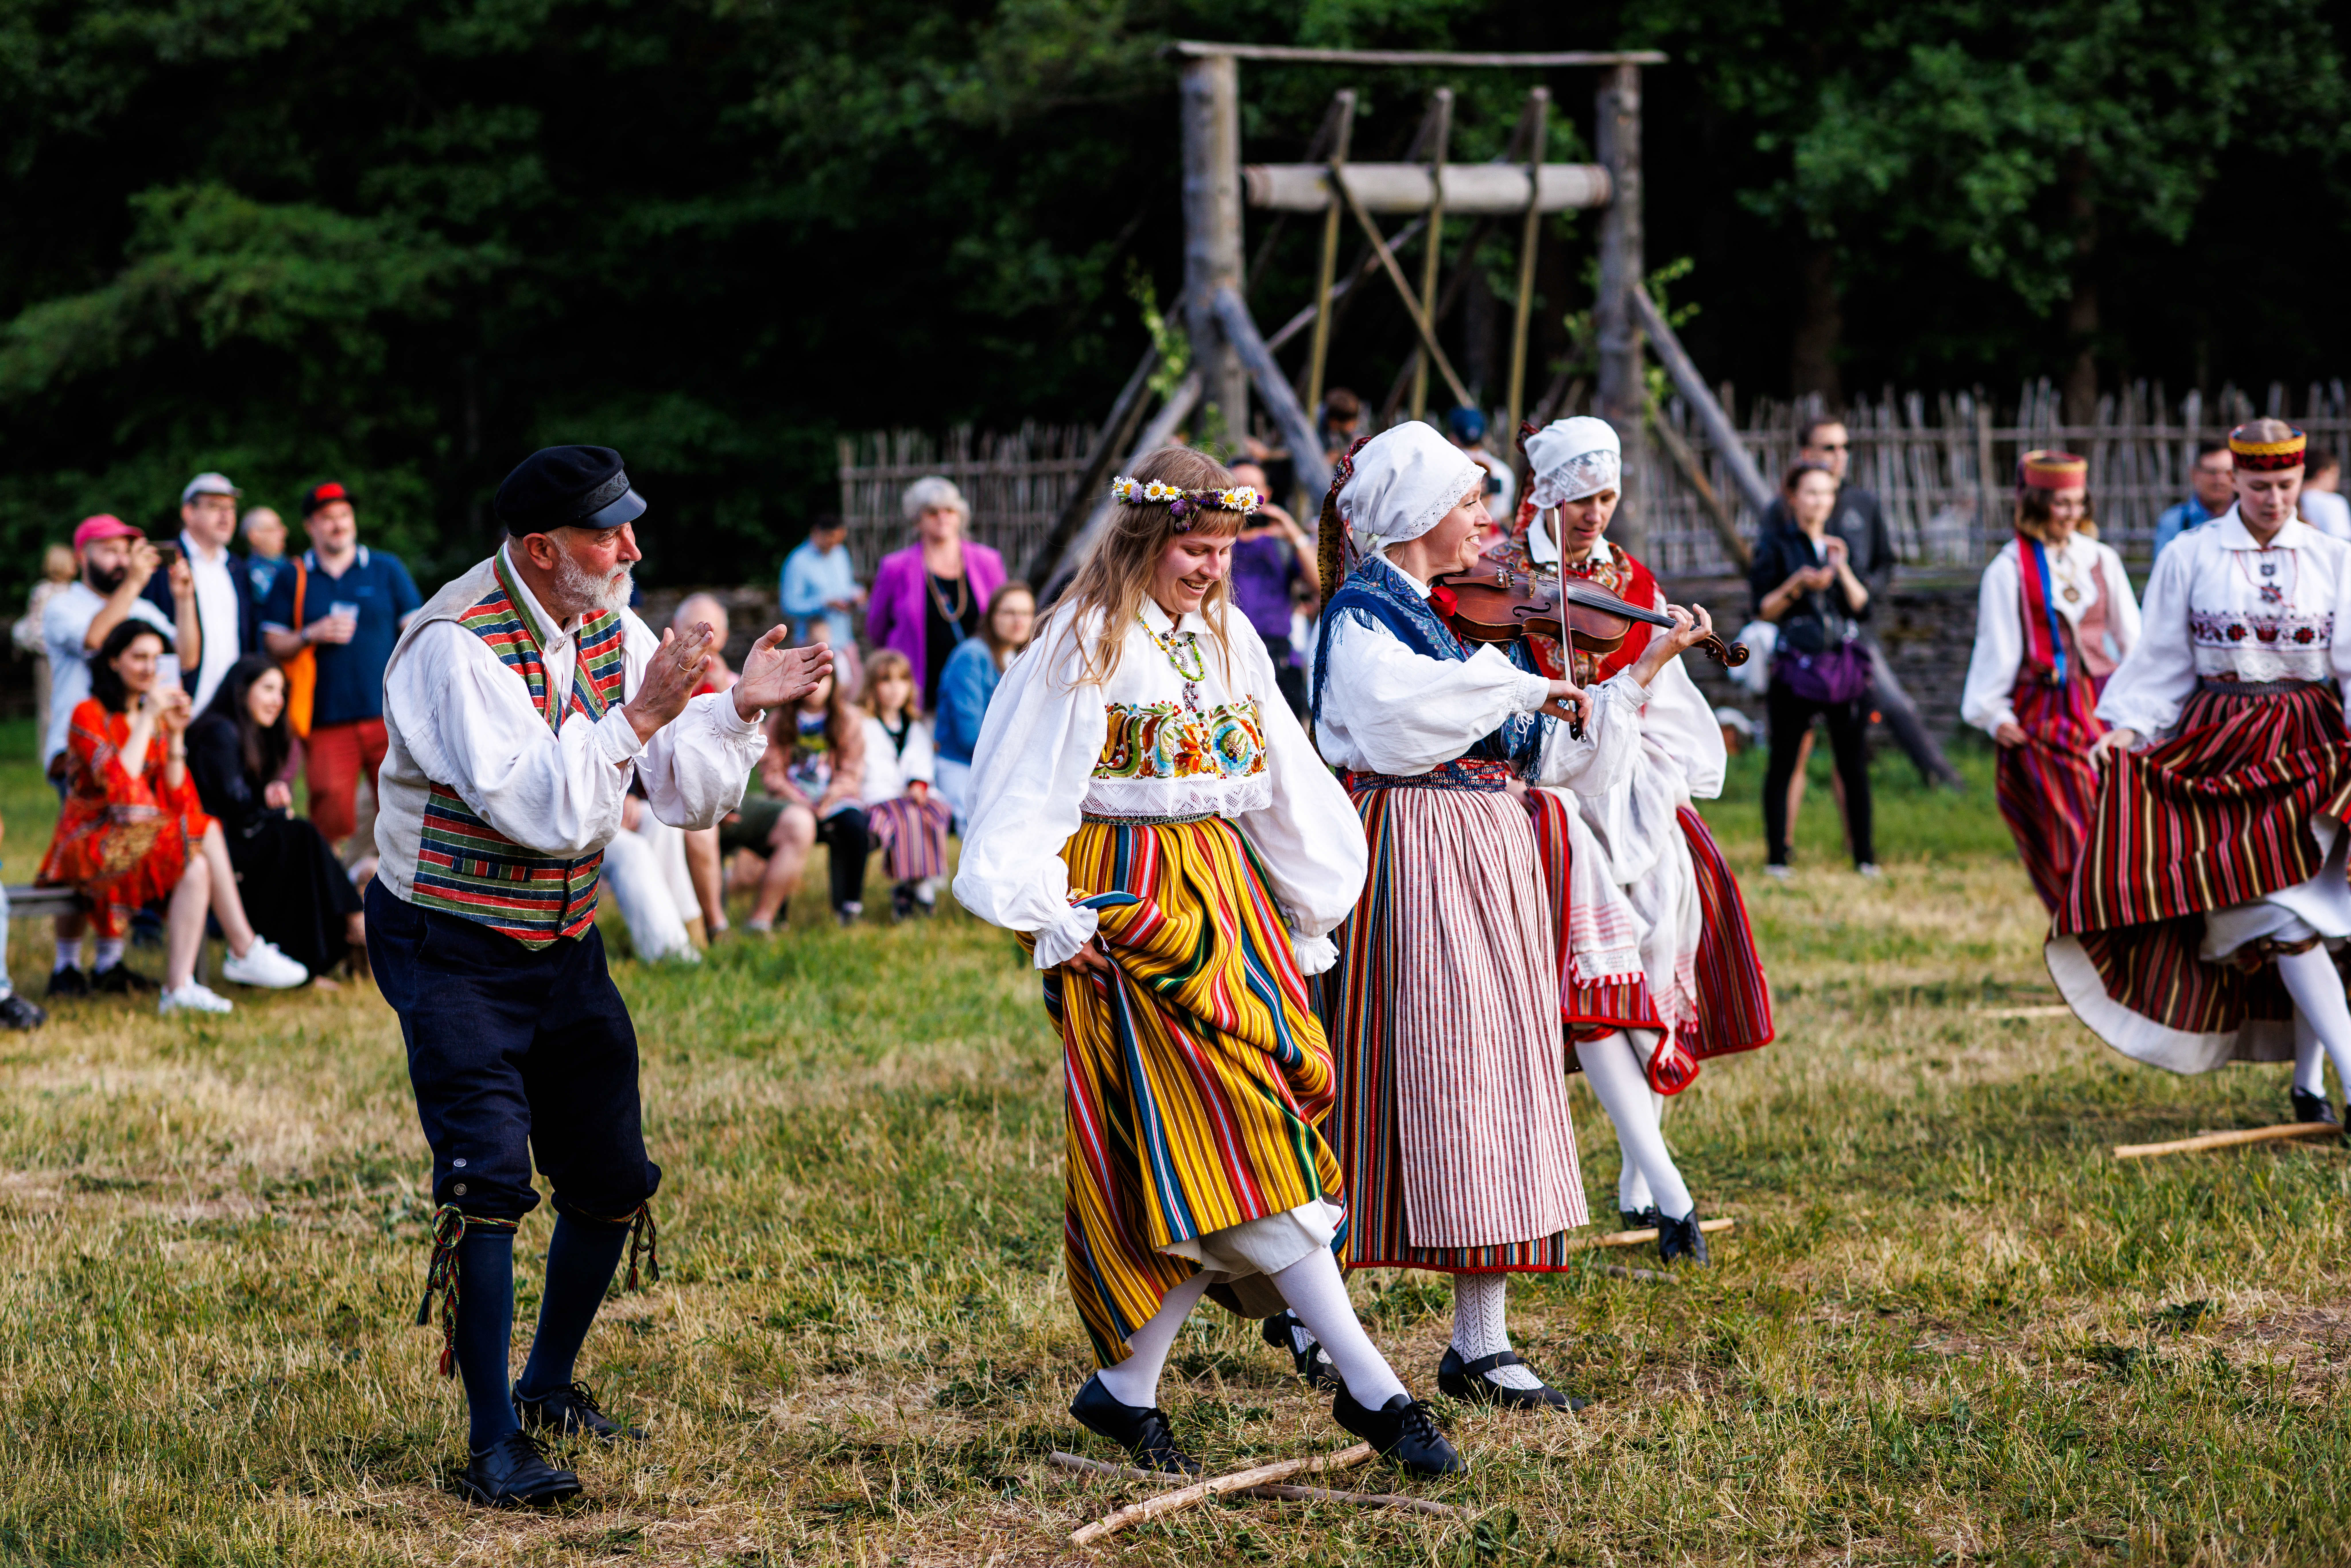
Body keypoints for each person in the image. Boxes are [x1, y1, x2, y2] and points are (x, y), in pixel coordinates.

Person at [955, 444, 1462, 1478]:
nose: (1212, 568)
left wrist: (1310, 891)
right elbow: (1017, 790)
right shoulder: (1081, 642)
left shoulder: (1228, 635)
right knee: (1240, 1136)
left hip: (1225, 895)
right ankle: (1374, 1389)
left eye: (1223, 548)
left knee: (1199, 1154)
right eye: (1194, 547)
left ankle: (1125, 1388)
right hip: (1126, 905)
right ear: (1144, 538)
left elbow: (1279, 770)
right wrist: (1051, 915)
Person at [370, 444, 828, 1509]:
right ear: (541, 549)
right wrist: (641, 716)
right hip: (451, 942)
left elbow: (675, 791)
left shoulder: (606, 621)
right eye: (606, 534)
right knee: (486, 1181)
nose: (631, 548)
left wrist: (739, 707)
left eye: (631, 526)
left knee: (611, 1172)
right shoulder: (454, 647)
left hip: (560, 936)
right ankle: (493, 1444)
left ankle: (547, 1381)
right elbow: (546, 807)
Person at [1312, 422, 1702, 1409]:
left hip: (1483, 859)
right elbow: (1405, 720)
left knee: (1491, 1087)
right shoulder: (1366, 616)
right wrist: (1522, 680)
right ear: (1415, 518)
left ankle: (1478, 1341)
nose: (1488, 519)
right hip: (1414, 858)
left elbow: (1541, 745)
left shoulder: (1445, 625)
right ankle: (1314, 1315)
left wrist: (1632, 675)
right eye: (1470, 502)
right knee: (1401, 1084)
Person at [1512, 415, 1775, 1262]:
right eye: (1579, 498)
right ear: (1545, 494)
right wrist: (1642, 668)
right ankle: (1668, 1193)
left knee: (1664, 947)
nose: (1594, 513)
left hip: (1633, 782)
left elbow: (1655, 705)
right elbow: (1540, 723)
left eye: (1606, 496)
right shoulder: (1506, 583)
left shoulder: (1627, 576)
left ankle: (1635, 1175)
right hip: (1550, 794)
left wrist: (1662, 659)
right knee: (1598, 978)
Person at [2054, 420, 2351, 1130]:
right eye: (2259, 486)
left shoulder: (2335, 556)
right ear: (2235, 483)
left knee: (2318, 916)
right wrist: (2128, 726)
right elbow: (2160, 658)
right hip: (2221, 744)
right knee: (2271, 911)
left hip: (2311, 743)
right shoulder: (2190, 554)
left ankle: (2310, 1085)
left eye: (2285, 485)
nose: (2274, 499)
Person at [38, 621, 311, 1010]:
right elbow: (123, 795)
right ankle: (244, 947)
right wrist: (149, 720)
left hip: (140, 839)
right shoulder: (89, 715)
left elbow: (180, 801)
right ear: (114, 661)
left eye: (155, 658)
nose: (149, 668)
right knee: (206, 830)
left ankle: (179, 989)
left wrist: (178, 736)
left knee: (198, 866)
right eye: (139, 657)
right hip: (88, 844)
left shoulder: (157, 722)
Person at [1959, 452, 2141, 912]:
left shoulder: (2101, 559)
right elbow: (1996, 645)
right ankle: (2084, 932)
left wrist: (2141, 706)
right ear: (2037, 503)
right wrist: (1992, 712)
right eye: (2061, 503)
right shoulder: (2008, 569)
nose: (2072, 513)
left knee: (2121, 833)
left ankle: (2122, 935)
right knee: (2072, 838)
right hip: (2046, 714)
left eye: (2078, 502)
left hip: (2104, 706)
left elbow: (2133, 639)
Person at [42, 516, 200, 998]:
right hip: (82, 742)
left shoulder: (144, 606)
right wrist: (133, 581)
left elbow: (185, 656)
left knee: (129, 840)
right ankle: (66, 963)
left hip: (137, 735)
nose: (120, 559)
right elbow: (96, 639)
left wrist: (184, 598)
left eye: (127, 549)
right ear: (83, 553)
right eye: (110, 550)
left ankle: (110, 959)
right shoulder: (63, 604)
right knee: (83, 841)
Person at [1757, 419, 1960, 790]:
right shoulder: (1782, 511)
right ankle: (1782, 845)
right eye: (1829, 448)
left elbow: (1886, 562)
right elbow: (1764, 573)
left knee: (1858, 747)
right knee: (1793, 752)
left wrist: (1862, 593)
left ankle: (1864, 843)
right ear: (1807, 454)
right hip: (1801, 640)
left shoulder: (1862, 504)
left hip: (1854, 637)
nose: (1840, 456)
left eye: (1844, 447)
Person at [260, 482, 425, 850]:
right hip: (325, 717)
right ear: (310, 527)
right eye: (327, 518)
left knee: (403, 808)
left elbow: (417, 632)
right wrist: (310, 634)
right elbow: (273, 643)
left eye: (344, 516)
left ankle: (390, 885)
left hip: (389, 715)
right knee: (330, 810)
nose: (338, 525)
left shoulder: (385, 568)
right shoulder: (294, 575)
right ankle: (334, 888)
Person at [186, 655, 367, 982]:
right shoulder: (217, 732)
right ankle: (352, 920)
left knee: (300, 840)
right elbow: (234, 802)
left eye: (282, 692)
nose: (278, 701)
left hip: (238, 839)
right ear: (242, 691)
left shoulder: (251, 732)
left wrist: (269, 795)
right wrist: (269, 804)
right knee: (299, 837)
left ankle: (315, 957)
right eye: (268, 689)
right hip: (215, 845)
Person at [1751, 461, 1877, 876]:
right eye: (1810, 493)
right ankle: (1777, 856)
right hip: (1796, 667)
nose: (1819, 501)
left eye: (1826, 493)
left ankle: (1864, 856)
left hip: (1842, 666)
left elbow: (1865, 606)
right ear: (1793, 497)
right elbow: (1763, 611)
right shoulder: (1776, 545)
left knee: (1853, 762)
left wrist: (1840, 569)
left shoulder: (1839, 547)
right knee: (1785, 761)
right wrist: (1798, 584)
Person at [739, 663, 870, 930]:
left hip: (833, 800)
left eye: (824, 680)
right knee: (782, 832)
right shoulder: (779, 720)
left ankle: (849, 904)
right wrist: (796, 798)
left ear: (834, 684)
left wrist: (831, 796)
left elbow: (852, 769)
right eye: (810, 679)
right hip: (792, 799)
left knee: (856, 828)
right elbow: (771, 771)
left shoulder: (848, 720)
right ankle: (777, 911)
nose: (817, 688)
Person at [867, 477, 1007, 710]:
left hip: (979, 692)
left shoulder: (988, 562)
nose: (942, 517)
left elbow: (1004, 619)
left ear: (960, 516)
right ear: (917, 520)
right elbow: (877, 630)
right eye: (933, 512)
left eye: (950, 511)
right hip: (918, 692)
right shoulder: (895, 567)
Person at [142, 473, 255, 712]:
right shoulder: (163, 560)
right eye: (215, 507)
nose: (226, 516)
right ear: (188, 513)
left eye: (231, 509)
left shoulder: (238, 567)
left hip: (230, 707)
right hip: (176, 703)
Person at [932, 580, 1037, 823]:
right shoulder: (973, 656)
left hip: (1000, 767)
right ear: (992, 616)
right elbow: (971, 736)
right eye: (1009, 612)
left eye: (1026, 613)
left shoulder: (1016, 656)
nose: (1019, 621)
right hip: (964, 768)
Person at [857, 650, 951, 920]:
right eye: (886, 681)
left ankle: (913, 885)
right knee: (906, 817)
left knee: (935, 812)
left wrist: (919, 784)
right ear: (872, 687)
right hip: (879, 796)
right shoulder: (863, 725)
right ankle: (921, 890)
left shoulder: (915, 727)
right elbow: (869, 769)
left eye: (902, 680)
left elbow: (922, 764)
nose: (895, 688)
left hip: (912, 795)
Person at [1226, 461, 1317, 718]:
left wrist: (1293, 533)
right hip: (1227, 654)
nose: (1245, 495)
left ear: (1267, 492)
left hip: (1278, 659)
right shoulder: (1215, 545)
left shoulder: (1281, 543)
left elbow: (1319, 585)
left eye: (1252, 488)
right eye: (1237, 488)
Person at [15, 544, 77, 747]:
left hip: (66, 657)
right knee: (49, 706)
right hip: (48, 656)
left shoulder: (74, 591)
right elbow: (36, 627)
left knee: (62, 704)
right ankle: (49, 752)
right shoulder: (45, 592)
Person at [780, 515, 862, 648]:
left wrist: (857, 594)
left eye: (838, 540)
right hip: (813, 643)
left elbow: (847, 587)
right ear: (816, 532)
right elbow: (790, 605)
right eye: (831, 538)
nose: (834, 544)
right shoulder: (798, 562)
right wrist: (824, 603)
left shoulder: (841, 553)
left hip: (845, 640)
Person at [2151, 440, 2237, 560]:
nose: (2220, 480)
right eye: (2212, 472)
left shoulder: (2250, 520)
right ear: (2195, 475)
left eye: (2227, 472)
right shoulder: (2175, 522)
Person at [1448, 405, 1516, 519]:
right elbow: (1505, 514)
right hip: (1495, 532)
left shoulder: (1448, 468)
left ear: (1453, 436)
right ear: (1484, 435)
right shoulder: (1504, 471)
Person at [242, 507, 291, 606]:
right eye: (275, 528)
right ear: (254, 536)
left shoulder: (294, 566)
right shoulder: (250, 575)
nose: (284, 532)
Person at [2300, 451, 2351, 542]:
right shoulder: (2334, 502)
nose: (2337, 483)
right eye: (2335, 475)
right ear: (2322, 474)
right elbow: (2341, 542)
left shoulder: (2290, 500)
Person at [1317, 387, 1363, 463]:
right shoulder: (1318, 430)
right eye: (1351, 423)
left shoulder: (1338, 421)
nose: (1355, 425)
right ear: (1334, 423)